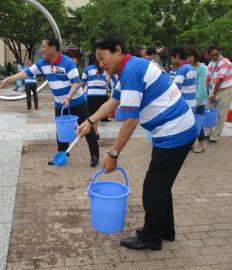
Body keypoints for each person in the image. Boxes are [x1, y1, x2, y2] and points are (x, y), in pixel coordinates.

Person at [78, 37, 197, 251]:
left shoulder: (131, 70)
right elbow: (112, 101)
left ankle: (152, 238)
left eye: (103, 58)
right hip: (175, 131)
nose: (101, 64)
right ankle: (165, 230)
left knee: (152, 189)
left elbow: (131, 120)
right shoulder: (130, 69)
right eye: (98, 61)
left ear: (117, 50)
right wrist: (89, 121)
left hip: (174, 133)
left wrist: (113, 154)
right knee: (161, 186)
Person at [0, 36, 100, 167]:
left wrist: (69, 97)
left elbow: (76, 82)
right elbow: (26, 73)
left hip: (77, 102)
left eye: (44, 46)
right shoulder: (42, 63)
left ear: (54, 48)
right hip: (59, 104)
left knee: (87, 128)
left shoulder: (67, 62)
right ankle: (62, 155)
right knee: (61, 131)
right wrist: (9, 79)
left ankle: (95, 155)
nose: (42, 49)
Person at [205, 45, 232, 144]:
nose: (214, 57)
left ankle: (215, 136)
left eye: (216, 54)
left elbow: (219, 80)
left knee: (221, 114)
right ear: (209, 55)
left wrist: (213, 94)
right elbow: (208, 79)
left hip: (225, 90)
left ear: (220, 51)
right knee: (208, 110)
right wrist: (207, 91)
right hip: (214, 90)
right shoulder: (210, 64)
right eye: (212, 55)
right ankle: (208, 132)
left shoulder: (225, 62)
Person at [186, 46, 208, 153]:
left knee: (197, 120)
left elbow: (200, 84)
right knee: (188, 121)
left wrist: (197, 100)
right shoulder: (186, 67)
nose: (189, 59)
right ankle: (189, 143)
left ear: (195, 56)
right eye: (187, 57)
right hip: (188, 98)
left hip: (199, 98)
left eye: (190, 57)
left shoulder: (202, 68)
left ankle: (201, 143)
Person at [81, 52, 108, 139]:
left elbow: (82, 82)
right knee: (99, 114)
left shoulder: (87, 69)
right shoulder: (104, 69)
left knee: (92, 115)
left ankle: (95, 133)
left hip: (92, 95)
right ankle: (96, 132)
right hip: (103, 95)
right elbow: (107, 83)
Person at [170, 45, 197, 111]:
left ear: (177, 56)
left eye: (172, 58)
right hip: (192, 104)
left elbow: (175, 89)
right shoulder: (190, 68)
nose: (171, 61)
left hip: (184, 106)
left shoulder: (182, 70)